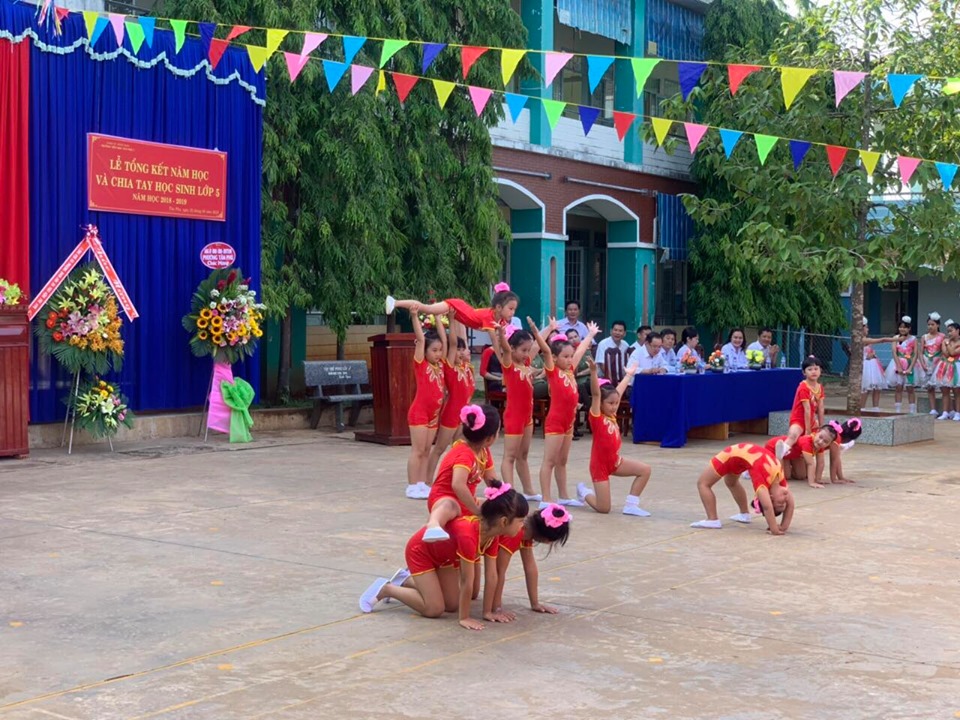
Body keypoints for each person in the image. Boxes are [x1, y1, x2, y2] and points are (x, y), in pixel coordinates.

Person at [359, 481, 527, 630]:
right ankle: (387, 589)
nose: (522, 525)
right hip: (421, 552)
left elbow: (491, 575)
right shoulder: (469, 535)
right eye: (520, 521)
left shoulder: (492, 535)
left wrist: (489, 612)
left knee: (451, 605)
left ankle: (405, 579)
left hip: (444, 559)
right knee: (434, 609)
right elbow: (466, 580)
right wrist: (464, 617)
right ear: (504, 521)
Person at [528, 316, 599, 507]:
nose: (569, 360)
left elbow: (580, 350)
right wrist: (537, 331)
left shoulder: (569, 370)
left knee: (562, 461)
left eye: (570, 356)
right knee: (549, 461)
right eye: (565, 357)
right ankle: (546, 498)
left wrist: (590, 335)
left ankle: (564, 496)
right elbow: (545, 349)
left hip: (569, 423)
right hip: (555, 423)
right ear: (555, 358)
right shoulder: (553, 371)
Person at [575, 359, 653, 516]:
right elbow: (596, 394)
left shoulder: (612, 414)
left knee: (645, 470)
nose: (614, 406)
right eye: (610, 403)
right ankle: (583, 492)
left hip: (616, 462)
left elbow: (619, 391)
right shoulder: (596, 417)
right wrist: (593, 372)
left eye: (616, 403)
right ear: (601, 404)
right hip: (600, 467)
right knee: (604, 508)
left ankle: (631, 505)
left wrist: (628, 376)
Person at [494, 322, 554, 501]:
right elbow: (505, 348)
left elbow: (536, 345)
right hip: (514, 417)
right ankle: (509, 492)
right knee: (510, 456)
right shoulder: (509, 365)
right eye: (523, 350)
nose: (527, 354)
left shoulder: (526, 363)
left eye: (527, 350)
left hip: (527, 417)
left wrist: (549, 328)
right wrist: (501, 333)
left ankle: (528, 490)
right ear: (512, 349)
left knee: (523, 455)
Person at [422, 404, 500, 541]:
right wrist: (476, 511)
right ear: (489, 438)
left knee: (491, 505)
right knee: (449, 505)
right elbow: (458, 485)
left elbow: (493, 482)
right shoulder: (464, 453)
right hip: (445, 497)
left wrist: (504, 499)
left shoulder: (484, 452)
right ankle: (433, 524)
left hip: (466, 500)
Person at [690, 443, 795, 535]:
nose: (786, 498)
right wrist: (781, 527)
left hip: (733, 456)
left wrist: (775, 528)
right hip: (734, 454)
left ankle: (714, 519)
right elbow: (790, 504)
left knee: (704, 483)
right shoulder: (780, 483)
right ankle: (740, 514)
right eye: (783, 503)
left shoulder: (763, 482)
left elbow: (767, 506)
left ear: (770, 497)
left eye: (780, 503)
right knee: (724, 483)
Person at [489, 503, 572, 617]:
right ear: (547, 540)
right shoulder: (515, 532)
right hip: (471, 543)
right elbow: (499, 571)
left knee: (473, 593)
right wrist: (496, 608)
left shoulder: (527, 532)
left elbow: (530, 567)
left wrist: (535, 603)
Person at [425, 318, 477, 484]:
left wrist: (460, 319)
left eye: (463, 349)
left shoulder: (467, 368)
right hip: (451, 413)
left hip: (464, 414)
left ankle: (454, 480)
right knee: (439, 448)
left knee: (458, 449)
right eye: (458, 350)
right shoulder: (450, 367)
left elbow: (461, 340)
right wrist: (451, 319)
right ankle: (427, 481)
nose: (460, 352)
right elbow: (452, 343)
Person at [405, 312, 447, 499]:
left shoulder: (441, 365)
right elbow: (421, 339)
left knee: (427, 450)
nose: (438, 354)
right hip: (419, 413)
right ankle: (412, 485)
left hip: (433, 415)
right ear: (425, 351)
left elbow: (445, 340)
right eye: (434, 350)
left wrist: (438, 319)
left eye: (440, 350)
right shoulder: (421, 364)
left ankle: (422, 484)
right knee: (418, 450)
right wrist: (415, 316)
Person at [386, 283, 519, 334]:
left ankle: (395, 303)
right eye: (510, 309)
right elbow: (495, 341)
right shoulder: (490, 318)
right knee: (426, 308)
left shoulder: (500, 321)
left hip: (460, 315)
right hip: (456, 307)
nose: (512, 313)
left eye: (514, 309)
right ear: (498, 307)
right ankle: (395, 302)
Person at [777, 355, 824, 459]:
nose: (813, 372)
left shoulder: (820, 387)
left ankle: (838, 446)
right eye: (810, 369)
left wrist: (821, 426)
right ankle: (782, 450)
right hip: (798, 420)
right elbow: (807, 409)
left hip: (811, 420)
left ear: (820, 370)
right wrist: (807, 430)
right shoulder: (803, 387)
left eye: (816, 369)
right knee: (793, 435)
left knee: (823, 437)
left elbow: (821, 408)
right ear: (804, 372)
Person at [765, 428, 832, 489]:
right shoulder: (807, 442)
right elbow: (810, 463)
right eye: (820, 437)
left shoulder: (820, 446)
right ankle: (779, 461)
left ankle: (785, 463)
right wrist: (812, 482)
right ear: (817, 432)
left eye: (825, 441)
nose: (821, 442)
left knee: (801, 476)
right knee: (786, 476)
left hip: (791, 454)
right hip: (773, 448)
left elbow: (821, 463)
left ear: (829, 444)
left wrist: (818, 479)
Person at [884, 316, 919, 413]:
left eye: (905, 327)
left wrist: (910, 367)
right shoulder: (895, 338)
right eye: (900, 327)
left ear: (909, 328)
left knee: (910, 388)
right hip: (897, 363)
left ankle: (912, 410)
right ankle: (898, 410)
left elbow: (915, 354)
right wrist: (898, 366)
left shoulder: (914, 339)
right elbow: (894, 352)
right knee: (898, 387)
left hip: (909, 363)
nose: (902, 329)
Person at [565, 328, 593, 439]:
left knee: (598, 387)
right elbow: (572, 371)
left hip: (588, 380)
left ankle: (587, 407)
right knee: (579, 389)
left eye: (575, 336)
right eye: (570, 338)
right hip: (576, 382)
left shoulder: (586, 350)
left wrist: (581, 373)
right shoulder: (567, 353)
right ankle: (588, 407)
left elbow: (592, 367)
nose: (573, 339)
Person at [861, 317, 891, 411]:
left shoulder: (866, 339)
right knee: (866, 388)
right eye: (866, 327)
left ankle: (875, 407)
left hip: (873, 365)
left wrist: (872, 354)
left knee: (877, 387)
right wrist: (893, 339)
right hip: (866, 365)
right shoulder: (863, 340)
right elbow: (881, 340)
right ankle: (862, 408)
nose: (868, 329)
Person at [933, 320, 960, 421]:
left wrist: (948, 344)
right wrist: (949, 345)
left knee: (957, 391)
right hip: (945, 366)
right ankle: (945, 412)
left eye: (951, 331)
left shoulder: (948, 342)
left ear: (958, 330)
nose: (949, 333)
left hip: (957, 366)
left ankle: (957, 413)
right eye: (948, 331)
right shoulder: (945, 341)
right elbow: (946, 353)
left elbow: (952, 353)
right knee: (945, 390)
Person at [919, 312, 945, 417]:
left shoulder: (942, 336)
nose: (930, 326)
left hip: (938, 363)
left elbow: (944, 351)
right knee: (929, 387)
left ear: (938, 325)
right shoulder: (924, 337)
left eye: (932, 324)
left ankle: (946, 409)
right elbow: (920, 352)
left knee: (943, 386)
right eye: (929, 324)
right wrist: (922, 364)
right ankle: (933, 409)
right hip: (927, 362)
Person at [823, 419, 863, 484]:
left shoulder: (836, 433)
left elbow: (837, 459)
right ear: (848, 439)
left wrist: (841, 477)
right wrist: (833, 479)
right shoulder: (836, 438)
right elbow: (833, 460)